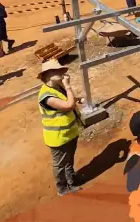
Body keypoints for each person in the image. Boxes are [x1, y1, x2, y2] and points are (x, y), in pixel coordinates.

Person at [37, 60, 83, 197]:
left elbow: (70, 100)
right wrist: (68, 86)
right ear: (47, 75)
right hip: (58, 137)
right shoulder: (47, 96)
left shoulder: (58, 86)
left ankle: (71, 180)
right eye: (57, 71)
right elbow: (68, 105)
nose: (62, 73)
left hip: (69, 132)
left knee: (69, 159)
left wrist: (77, 99)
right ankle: (62, 187)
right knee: (60, 164)